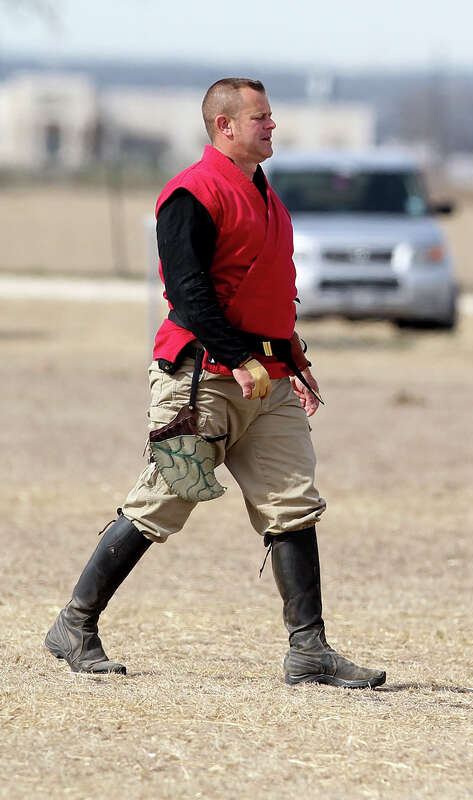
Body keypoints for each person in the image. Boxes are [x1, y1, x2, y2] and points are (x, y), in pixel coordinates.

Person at [44, 78, 385, 689]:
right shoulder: (191, 193)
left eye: (271, 117)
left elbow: (265, 292)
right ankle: (75, 623)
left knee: (293, 505)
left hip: (267, 380)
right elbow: (189, 292)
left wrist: (290, 361)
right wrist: (240, 358)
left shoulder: (264, 194)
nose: (272, 126)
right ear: (224, 126)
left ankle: (309, 649)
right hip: (201, 377)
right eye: (262, 118)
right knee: (163, 501)